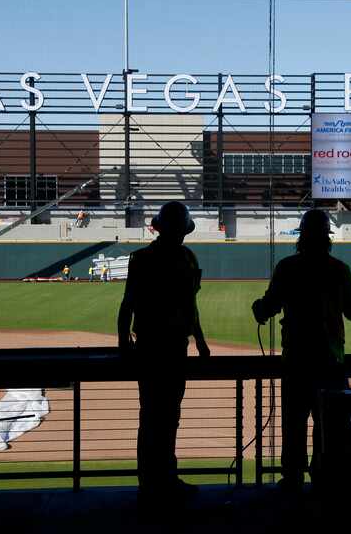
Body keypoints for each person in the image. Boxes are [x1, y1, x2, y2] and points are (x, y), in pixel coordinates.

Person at [251, 209, 351, 493]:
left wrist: (259, 309)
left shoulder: (287, 267)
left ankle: (292, 479)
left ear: (301, 237)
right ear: (327, 238)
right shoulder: (339, 269)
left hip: (296, 359)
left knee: (294, 422)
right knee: (329, 425)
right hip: (330, 360)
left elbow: (269, 305)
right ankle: (324, 479)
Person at [117, 201, 211, 508]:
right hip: (169, 348)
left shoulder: (143, 258)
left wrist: (123, 343)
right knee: (164, 417)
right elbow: (189, 307)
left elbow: (128, 305)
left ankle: (154, 483)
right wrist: (200, 341)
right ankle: (161, 481)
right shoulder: (186, 258)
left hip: (153, 347)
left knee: (157, 417)